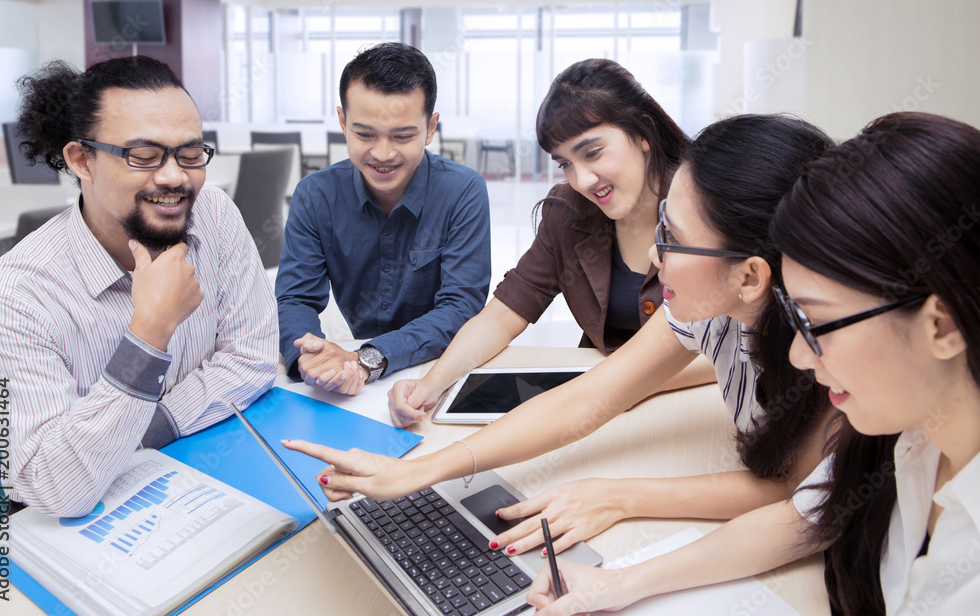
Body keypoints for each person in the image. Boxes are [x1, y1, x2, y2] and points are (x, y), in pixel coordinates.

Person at [285, 113, 834, 552]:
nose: (652, 255)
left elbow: (798, 492)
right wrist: (426, 469)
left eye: (672, 237)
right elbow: (589, 398)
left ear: (750, 276)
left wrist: (619, 498)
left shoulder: (833, 362)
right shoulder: (707, 309)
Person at [525, 112, 980, 615]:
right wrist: (618, 585)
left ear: (941, 325)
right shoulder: (912, 442)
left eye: (819, 323)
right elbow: (801, 517)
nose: (798, 354)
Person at [0, 56, 278, 517]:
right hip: (85, 530)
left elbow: (253, 358)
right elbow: (55, 487)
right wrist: (149, 332)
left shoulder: (214, 213)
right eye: (143, 156)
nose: (175, 176)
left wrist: (140, 431)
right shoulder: (10, 297)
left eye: (190, 153)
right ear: (82, 160)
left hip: (204, 473)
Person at [387, 58, 716, 427]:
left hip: (690, 405)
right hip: (598, 408)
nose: (583, 180)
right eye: (566, 163)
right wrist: (429, 385)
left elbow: (731, 344)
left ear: (643, 132)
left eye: (592, 153)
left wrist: (621, 385)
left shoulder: (707, 208)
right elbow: (504, 313)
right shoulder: (568, 213)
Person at [276, 42, 491, 397]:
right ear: (343, 122)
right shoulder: (315, 195)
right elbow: (296, 298)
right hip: (351, 373)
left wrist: (368, 358)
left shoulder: (462, 191)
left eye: (403, 136)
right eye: (365, 134)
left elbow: (461, 307)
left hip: (437, 369)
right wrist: (310, 358)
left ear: (431, 128)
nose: (383, 154)